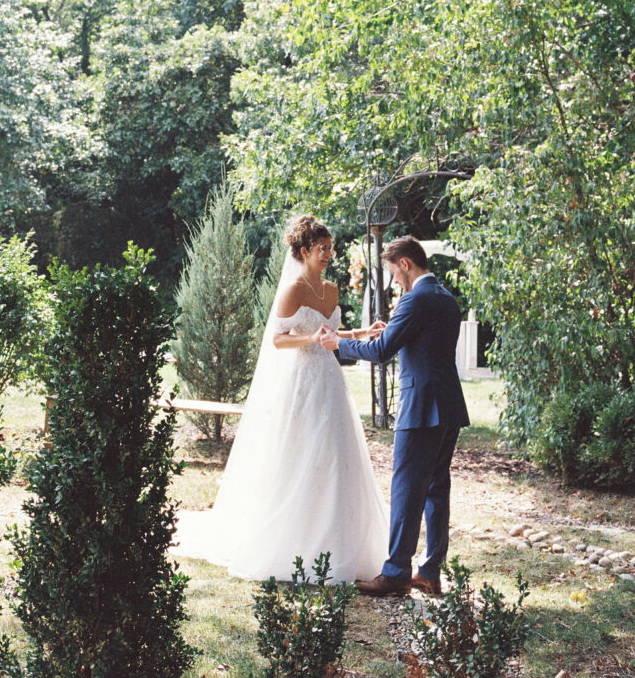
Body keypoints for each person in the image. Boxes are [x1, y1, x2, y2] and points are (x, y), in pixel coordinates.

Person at [174, 214, 389, 583]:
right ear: (304, 251)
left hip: (330, 381)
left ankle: (339, 542)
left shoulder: (333, 290)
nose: (327, 254)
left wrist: (363, 332)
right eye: (321, 249)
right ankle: (295, 540)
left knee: (337, 455)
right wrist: (309, 339)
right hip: (303, 377)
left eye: (330, 248)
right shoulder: (293, 290)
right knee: (302, 453)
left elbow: (333, 331)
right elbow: (278, 339)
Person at [320, 235, 469, 597]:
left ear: (405, 263)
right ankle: (430, 571)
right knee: (436, 490)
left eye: (393, 272)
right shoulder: (444, 297)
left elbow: (382, 351)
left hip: (421, 409)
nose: (394, 281)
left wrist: (339, 343)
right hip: (448, 407)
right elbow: (425, 345)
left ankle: (396, 573)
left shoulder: (414, 299)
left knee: (406, 489)